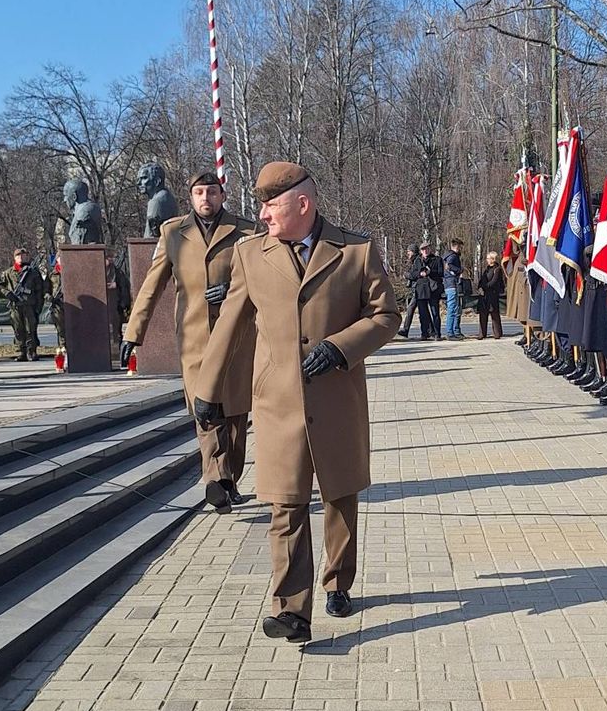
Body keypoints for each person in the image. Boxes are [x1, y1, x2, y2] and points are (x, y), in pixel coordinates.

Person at [193, 162, 400, 642]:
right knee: (285, 507)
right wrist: (207, 391)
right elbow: (230, 326)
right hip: (278, 403)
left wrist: (340, 347)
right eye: (262, 204)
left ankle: (338, 581)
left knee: (339, 498)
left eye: (271, 204)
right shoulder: (251, 256)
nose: (262, 213)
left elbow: (387, 315)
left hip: (336, 399)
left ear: (302, 204)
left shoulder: (355, 252)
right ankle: (291, 610)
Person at [122, 171, 260, 514]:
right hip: (195, 338)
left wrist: (232, 290)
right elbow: (151, 287)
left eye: (211, 192)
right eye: (199, 193)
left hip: (238, 337)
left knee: (236, 415)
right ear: (191, 197)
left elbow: (262, 277)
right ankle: (215, 479)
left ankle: (230, 480)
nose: (206, 198)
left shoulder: (247, 230)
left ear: (221, 195)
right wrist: (133, 333)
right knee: (205, 409)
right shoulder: (173, 233)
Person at [0, 248, 45, 361]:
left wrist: (39, 306)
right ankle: (21, 352)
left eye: (24, 256)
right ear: (15, 258)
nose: (21, 258)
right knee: (18, 330)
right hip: (15, 306)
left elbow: (40, 290)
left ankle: (31, 351)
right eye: (19, 256)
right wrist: (7, 293)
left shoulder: (33, 273)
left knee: (30, 329)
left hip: (29, 305)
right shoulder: (8, 273)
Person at [411, 242, 442, 340]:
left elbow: (441, 272)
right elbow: (413, 274)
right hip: (421, 289)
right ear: (421, 251)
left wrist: (430, 272)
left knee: (435, 312)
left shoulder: (437, 259)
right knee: (423, 314)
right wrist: (420, 273)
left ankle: (437, 333)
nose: (425, 251)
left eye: (427, 249)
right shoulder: (417, 261)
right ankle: (424, 333)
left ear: (430, 249)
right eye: (423, 249)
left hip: (433, 289)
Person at [477, 251, 504, 339]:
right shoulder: (486, 269)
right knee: (483, 314)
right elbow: (482, 280)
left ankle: (497, 333)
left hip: (492, 294)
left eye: (488, 258)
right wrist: (480, 287)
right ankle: (482, 333)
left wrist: (484, 287)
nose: (487, 260)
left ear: (493, 259)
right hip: (484, 295)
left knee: (494, 313)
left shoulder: (497, 269)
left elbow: (494, 282)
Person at [443, 238, 465, 339]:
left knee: (455, 308)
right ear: (456, 246)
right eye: (460, 247)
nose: (461, 249)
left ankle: (455, 330)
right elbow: (449, 266)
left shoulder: (447, 256)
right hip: (452, 284)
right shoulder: (453, 256)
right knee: (452, 308)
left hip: (449, 284)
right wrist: (459, 270)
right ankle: (450, 332)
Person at [398, 243, 420, 338]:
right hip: (416, 288)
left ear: (413, 252)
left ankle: (406, 330)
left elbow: (415, 275)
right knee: (422, 311)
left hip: (418, 288)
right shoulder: (414, 261)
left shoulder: (417, 261)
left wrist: (406, 275)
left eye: (409, 251)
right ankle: (430, 330)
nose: (408, 253)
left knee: (411, 309)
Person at [47, 256, 65, 350]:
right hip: (57, 305)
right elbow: (46, 290)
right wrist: (49, 297)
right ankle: (63, 350)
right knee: (60, 329)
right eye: (60, 257)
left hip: (71, 304)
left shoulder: (71, 271)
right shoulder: (52, 274)